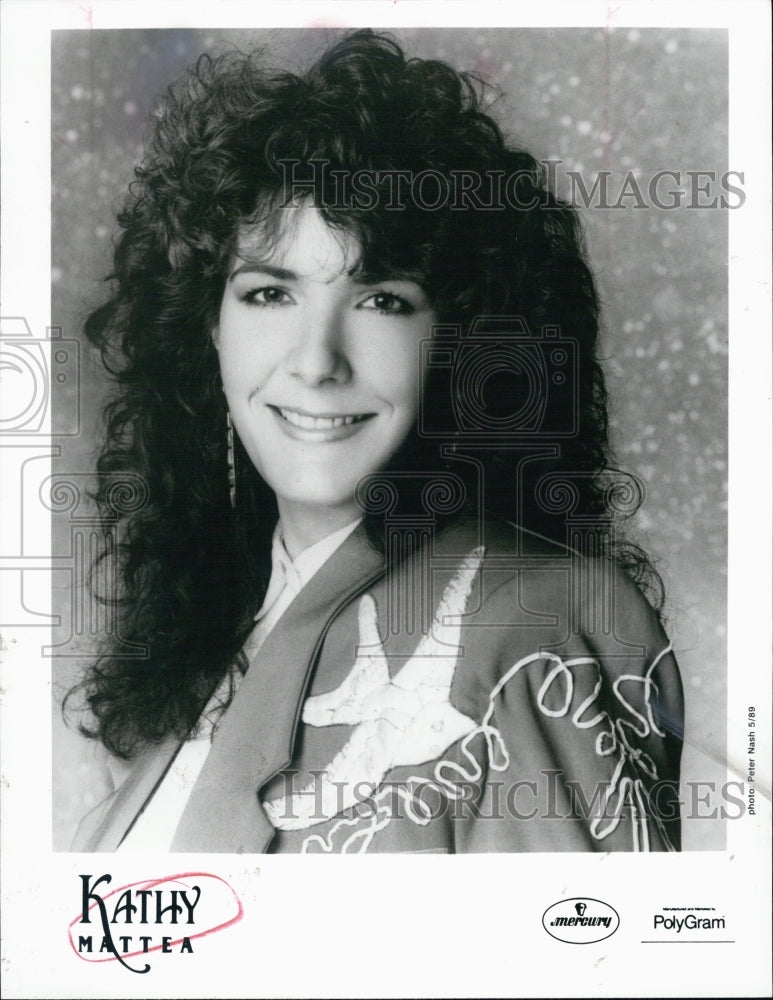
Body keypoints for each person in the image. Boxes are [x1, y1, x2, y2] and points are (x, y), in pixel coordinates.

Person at [69, 30, 683, 853]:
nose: (316, 361)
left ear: (462, 340)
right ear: (206, 330)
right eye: (267, 293)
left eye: (382, 300)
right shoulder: (214, 648)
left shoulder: (535, 622)